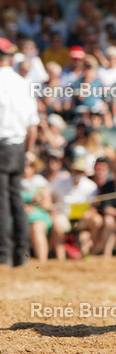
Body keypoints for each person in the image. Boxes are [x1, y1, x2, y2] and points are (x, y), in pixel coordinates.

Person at [0, 36, 39, 266]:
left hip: (1, 145)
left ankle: (3, 255)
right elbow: (32, 126)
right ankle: (22, 254)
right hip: (19, 147)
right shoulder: (23, 83)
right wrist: (29, 153)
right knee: (16, 199)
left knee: (2, 202)